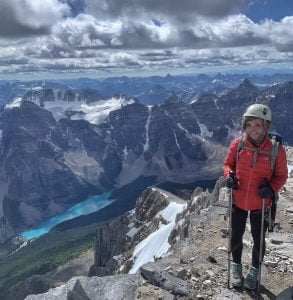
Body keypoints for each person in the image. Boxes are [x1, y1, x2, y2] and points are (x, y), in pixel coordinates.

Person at [223, 104, 288, 290]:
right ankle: (236, 268)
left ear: (266, 126)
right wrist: (229, 176)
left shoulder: (276, 149)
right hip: (238, 200)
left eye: (258, 125)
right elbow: (228, 164)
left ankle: (254, 270)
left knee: (258, 239)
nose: (253, 129)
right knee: (236, 236)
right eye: (249, 124)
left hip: (261, 202)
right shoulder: (238, 144)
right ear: (244, 125)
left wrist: (271, 188)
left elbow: (281, 176)